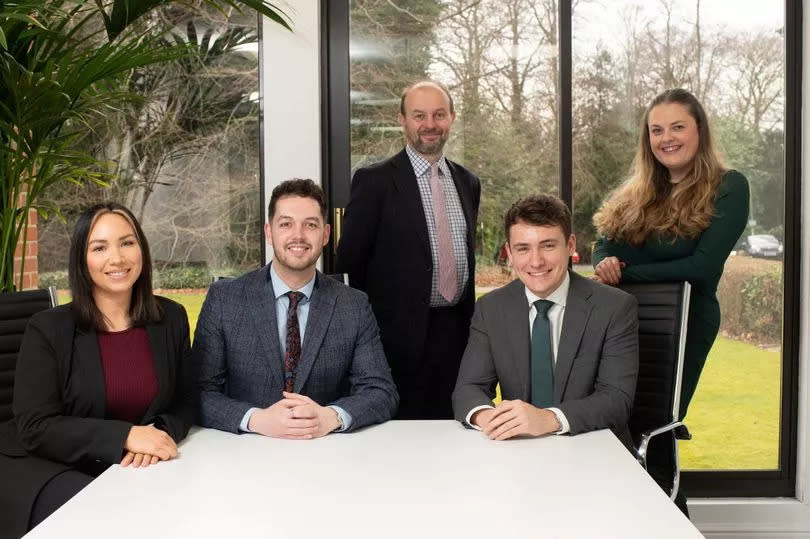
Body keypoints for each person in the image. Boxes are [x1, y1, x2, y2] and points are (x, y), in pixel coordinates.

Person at [0, 203, 195, 538]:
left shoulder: (170, 318)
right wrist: (124, 437)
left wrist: (155, 433)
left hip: (126, 467)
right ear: (82, 260)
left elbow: (187, 399)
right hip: (46, 464)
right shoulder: (48, 328)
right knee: (116, 521)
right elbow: (35, 427)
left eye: (127, 243)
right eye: (99, 247)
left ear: (142, 251)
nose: (117, 258)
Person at [592, 88, 750, 421]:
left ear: (699, 130)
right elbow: (605, 242)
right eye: (657, 130)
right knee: (609, 418)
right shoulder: (635, 193)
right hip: (622, 321)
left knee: (657, 422)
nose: (667, 138)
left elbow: (702, 267)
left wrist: (625, 272)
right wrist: (603, 263)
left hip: (685, 320)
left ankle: (661, 474)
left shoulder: (729, 187)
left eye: (678, 127)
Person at [196, 179, 398, 437]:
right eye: (286, 224)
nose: (298, 236)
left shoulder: (353, 305)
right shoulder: (225, 300)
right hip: (246, 454)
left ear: (325, 235)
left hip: (326, 452)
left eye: (310, 225)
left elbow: (381, 392)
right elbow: (199, 391)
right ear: (269, 232)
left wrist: (331, 416)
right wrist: (255, 419)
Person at [336, 80, 481, 419]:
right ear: (402, 120)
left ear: (452, 118)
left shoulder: (468, 182)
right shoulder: (374, 182)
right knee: (397, 443)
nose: (429, 124)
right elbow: (349, 267)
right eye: (419, 115)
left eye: (438, 114)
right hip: (394, 342)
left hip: (457, 336)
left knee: (453, 434)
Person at [452, 194, 638, 449]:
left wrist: (547, 419)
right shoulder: (491, 308)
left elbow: (617, 400)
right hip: (520, 450)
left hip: (594, 450)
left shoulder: (614, 307)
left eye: (548, 245)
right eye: (523, 248)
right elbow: (468, 388)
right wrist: (492, 419)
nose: (536, 261)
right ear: (509, 252)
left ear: (570, 245)